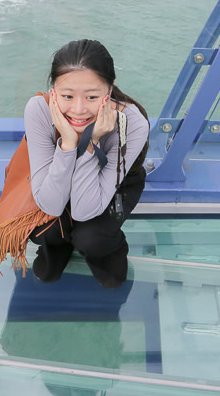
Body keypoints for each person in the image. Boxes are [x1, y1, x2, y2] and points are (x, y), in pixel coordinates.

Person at [24, 39, 149, 288]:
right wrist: (68, 144)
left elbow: (84, 210)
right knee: (44, 229)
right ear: (52, 90)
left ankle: (110, 253)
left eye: (92, 96)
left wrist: (91, 142)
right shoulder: (39, 109)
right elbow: (50, 204)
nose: (79, 109)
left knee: (91, 238)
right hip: (56, 175)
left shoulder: (132, 123)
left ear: (110, 89)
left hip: (113, 183)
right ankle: (57, 246)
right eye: (67, 96)